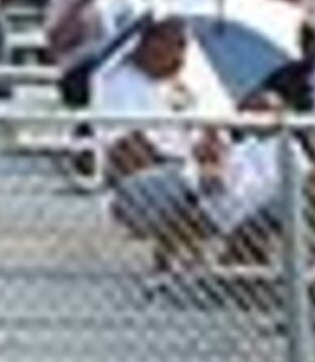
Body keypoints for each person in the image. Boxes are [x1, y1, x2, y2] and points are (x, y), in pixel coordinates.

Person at [94, 15, 234, 273]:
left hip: (201, 172)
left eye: (185, 45)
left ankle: (238, 262)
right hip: (136, 187)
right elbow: (128, 153)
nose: (184, 53)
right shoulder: (116, 83)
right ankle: (173, 261)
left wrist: (213, 143)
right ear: (149, 44)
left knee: (256, 168)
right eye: (176, 44)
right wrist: (191, 164)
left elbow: (218, 128)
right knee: (188, 181)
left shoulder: (191, 79)